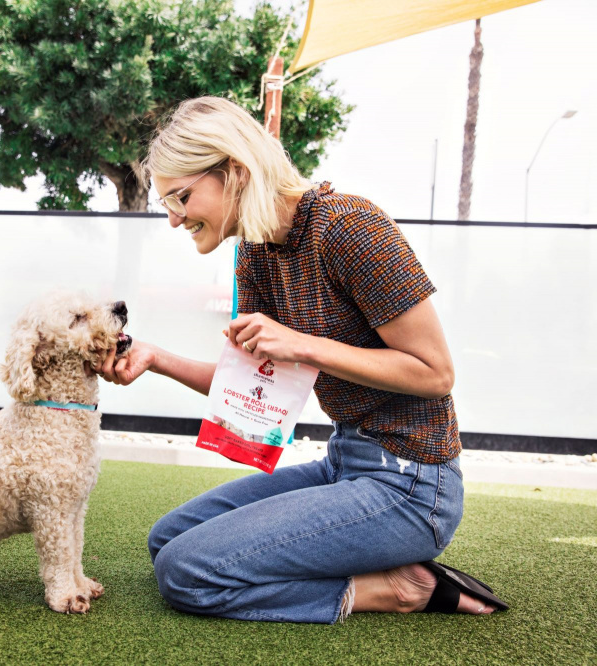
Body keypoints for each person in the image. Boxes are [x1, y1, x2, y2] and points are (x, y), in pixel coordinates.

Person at [96, 96, 506, 624]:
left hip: (412, 485)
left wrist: (302, 344)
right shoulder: (256, 250)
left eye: (181, 197)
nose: (174, 220)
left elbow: (435, 372)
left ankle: (402, 588)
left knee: (186, 572)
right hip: (344, 464)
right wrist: (155, 358)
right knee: (168, 539)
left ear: (235, 172)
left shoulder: (352, 228)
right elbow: (250, 384)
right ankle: (345, 553)